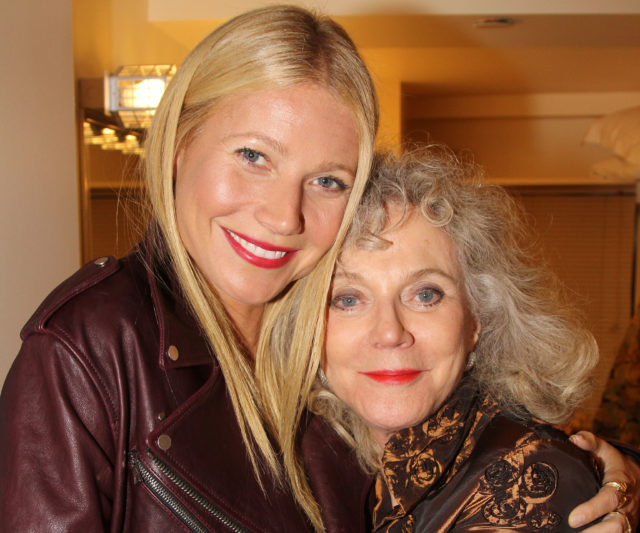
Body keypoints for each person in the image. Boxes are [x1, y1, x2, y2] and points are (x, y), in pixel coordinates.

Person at [0, 5, 636, 532]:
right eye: (253, 154)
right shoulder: (90, 347)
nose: (283, 216)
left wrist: (595, 471)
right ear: (177, 143)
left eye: (328, 180)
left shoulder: (314, 348)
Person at [316, 147, 639, 532]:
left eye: (425, 295)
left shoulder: (528, 481)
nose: (390, 332)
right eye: (347, 299)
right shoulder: (300, 458)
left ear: (476, 320)